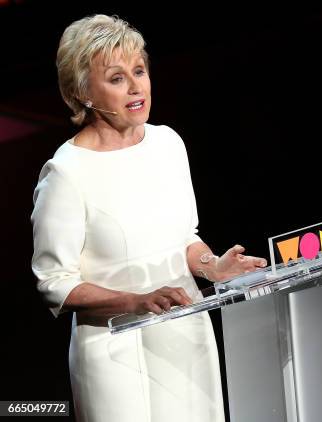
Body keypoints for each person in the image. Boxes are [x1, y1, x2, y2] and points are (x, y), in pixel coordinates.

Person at [30, 14, 267, 422]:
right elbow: (54, 284)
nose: (136, 86)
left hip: (185, 332)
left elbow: (184, 237)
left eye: (139, 71)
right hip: (115, 352)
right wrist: (135, 301)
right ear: (84, 92)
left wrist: (212, 267)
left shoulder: (167, 143)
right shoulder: (67, 172)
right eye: (117, 78)